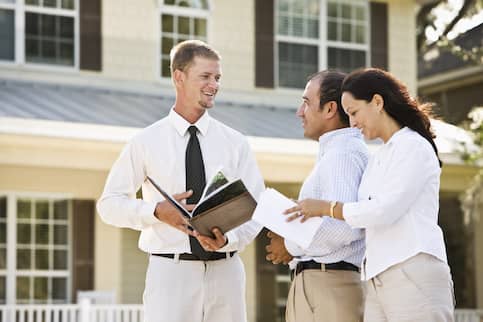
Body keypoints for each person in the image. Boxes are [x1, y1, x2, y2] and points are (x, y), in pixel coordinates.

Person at [97, 40, 265, 322]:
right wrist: (154, 212)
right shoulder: (145, 142)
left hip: (227, 273)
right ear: (179, 77)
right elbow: (109, 204)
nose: (213, 85)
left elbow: (257, 207)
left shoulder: (235, 143)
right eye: (205, 77)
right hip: (170, 275)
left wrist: (229, 238)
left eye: (217, 78)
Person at [286, 68, 455, 322]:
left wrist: (326, 208)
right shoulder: (380, 156)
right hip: (378, 277)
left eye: (354, 112)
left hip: (412, 270)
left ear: (377, 102)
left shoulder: (413, 146)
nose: (352, 123)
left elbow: (385, 210)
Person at [265, 70, 369, 322]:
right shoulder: (334, 153)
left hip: (330, 284)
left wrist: (288, 245)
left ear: (330, 108)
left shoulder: (342, 155)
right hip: (320, 282)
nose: (300, 112)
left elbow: (343, 228)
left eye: (306, 103)